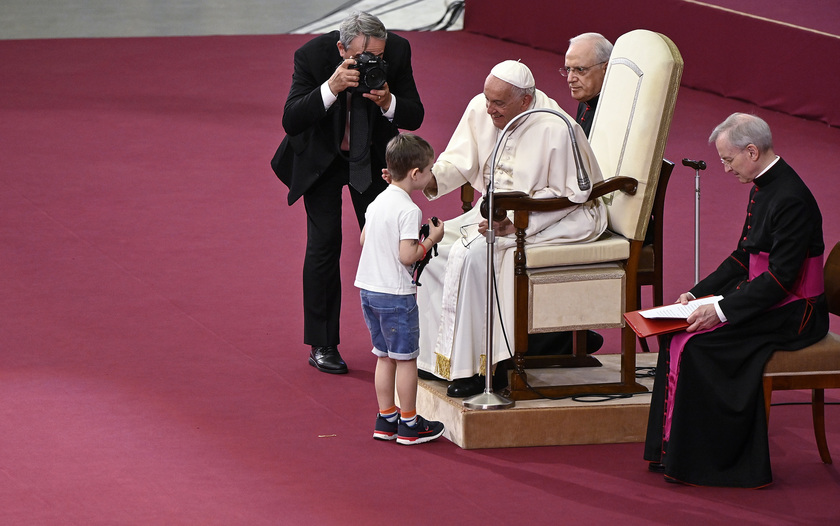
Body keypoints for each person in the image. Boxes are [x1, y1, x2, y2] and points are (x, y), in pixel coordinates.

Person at [643, 113, 829, 487]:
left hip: (798, 311)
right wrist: (698, 293)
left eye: (728, 160)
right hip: (771, 294)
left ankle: (717, 463)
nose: (725, 168)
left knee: (700, 345)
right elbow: (744, 257)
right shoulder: (762, 184)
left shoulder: (790, 197)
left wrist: (720, 310)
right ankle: (673, 452)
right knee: (674, 331)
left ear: (752, 151)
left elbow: (780, 280)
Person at [416, 60, 608, 398]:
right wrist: (432, 178)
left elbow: (571, 195)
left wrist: (520, 222)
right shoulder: (482, 106)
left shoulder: (556, 127)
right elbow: (461, 158)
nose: (489, 110)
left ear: (525, 100)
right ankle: (438, 359)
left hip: (549, 218)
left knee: (475, 256)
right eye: (487, 99)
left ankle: (479, 368)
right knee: (432, 250)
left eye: (499, 103)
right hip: (492, 213)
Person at [271, 12, 424, 375]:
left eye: (379, 57)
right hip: (323, 160)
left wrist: (388, 102)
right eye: (363, 57)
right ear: (342, 49)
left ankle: (411, 337)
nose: (375, 62)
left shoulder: (399, 51)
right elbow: (291, 119)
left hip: (372, 160)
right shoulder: (313, 56)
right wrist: (331, 87)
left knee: (393, 244)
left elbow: (414, 114)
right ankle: (322, 343)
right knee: (324, 244)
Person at [356, 133, 446, 445]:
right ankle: (409, 422)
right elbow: (407, 255)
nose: (432, 174)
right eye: (430, 169)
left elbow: (365, 240)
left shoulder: (377, 201)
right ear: (415, 174)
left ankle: (386, 417)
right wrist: (432, 239)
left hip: (368, 289)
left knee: (383, 356)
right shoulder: (409, 210)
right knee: (406, 359)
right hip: (395, 293)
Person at [562, 33, 612, 138]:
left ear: (606, 69)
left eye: (580, 70)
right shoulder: (587, 97)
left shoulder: (613, 114)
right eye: (568, 69)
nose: (570, 79)